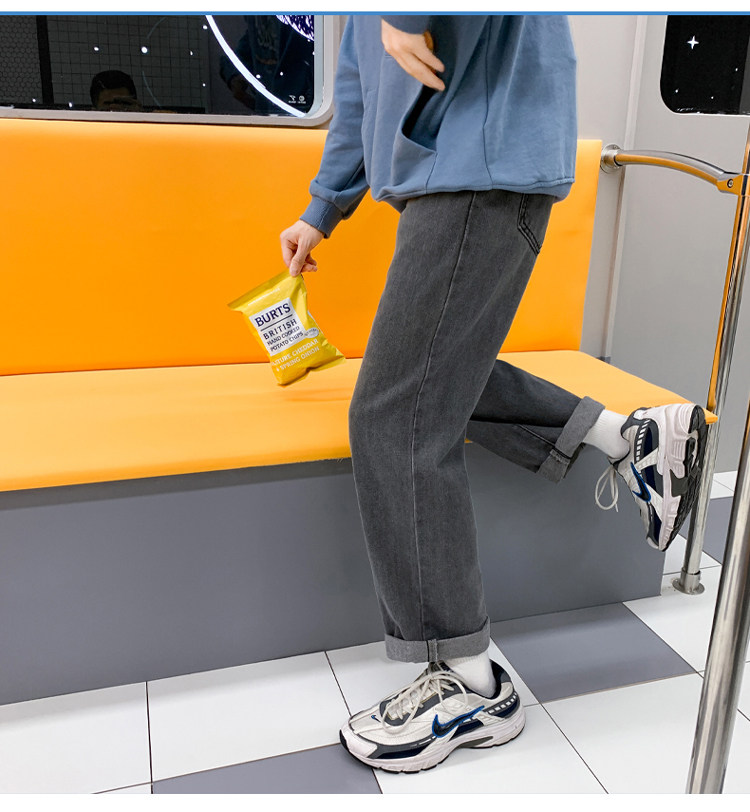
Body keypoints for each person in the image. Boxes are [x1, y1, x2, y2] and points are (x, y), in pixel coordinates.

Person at [280, 15, 707, 774]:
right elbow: (356, 89)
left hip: (479, 173)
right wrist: (323, 207)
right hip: (449, 181)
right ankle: (631, 438)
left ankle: (469, 680)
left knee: (393, 418)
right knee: (431, 382)